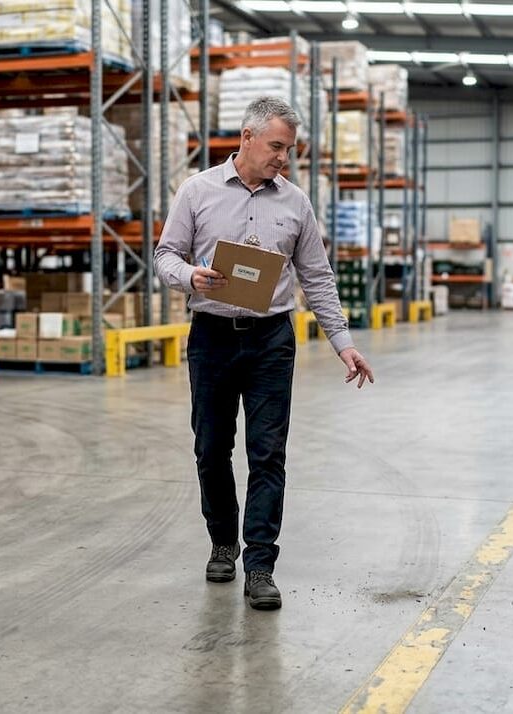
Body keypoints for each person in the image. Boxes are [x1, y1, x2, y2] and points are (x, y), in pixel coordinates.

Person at [154, 96, 374, 611]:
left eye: (289, 149)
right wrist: (192, 276)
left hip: (272, 339)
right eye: (276, 146)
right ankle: (222, 543)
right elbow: (165, 255)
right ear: (246, 138)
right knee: (211, 448)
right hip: (211, 335)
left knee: (268, 453)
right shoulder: (198, 190)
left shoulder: (295, 201)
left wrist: (343, 343)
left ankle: (259, 564)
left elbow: (317, 278)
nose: (284, 158)